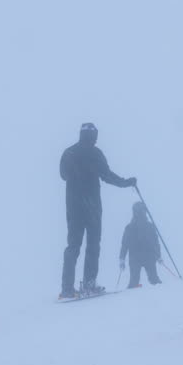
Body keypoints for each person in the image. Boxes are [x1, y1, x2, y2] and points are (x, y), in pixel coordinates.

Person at [60, 123, 136, 298]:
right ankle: (89, 284)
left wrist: (76, 171)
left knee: (73, 245)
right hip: (92, 207)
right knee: (93, 245)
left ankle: (66, 288)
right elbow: (107, 176)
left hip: (73, 207)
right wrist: (127, 182)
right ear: (94, 136)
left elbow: (63, 175)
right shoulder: (95, 153)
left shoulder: (69, 152)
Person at [119, 201, 162, 289]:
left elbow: (124, 244)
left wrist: (122, 258)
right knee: (153, 279)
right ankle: (163, 292)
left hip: (139, 257)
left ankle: (132, 294)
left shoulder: (130, 227)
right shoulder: (148, 226)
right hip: (145, 256)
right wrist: (158, 255)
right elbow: (156, 243)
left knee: (136, 281)